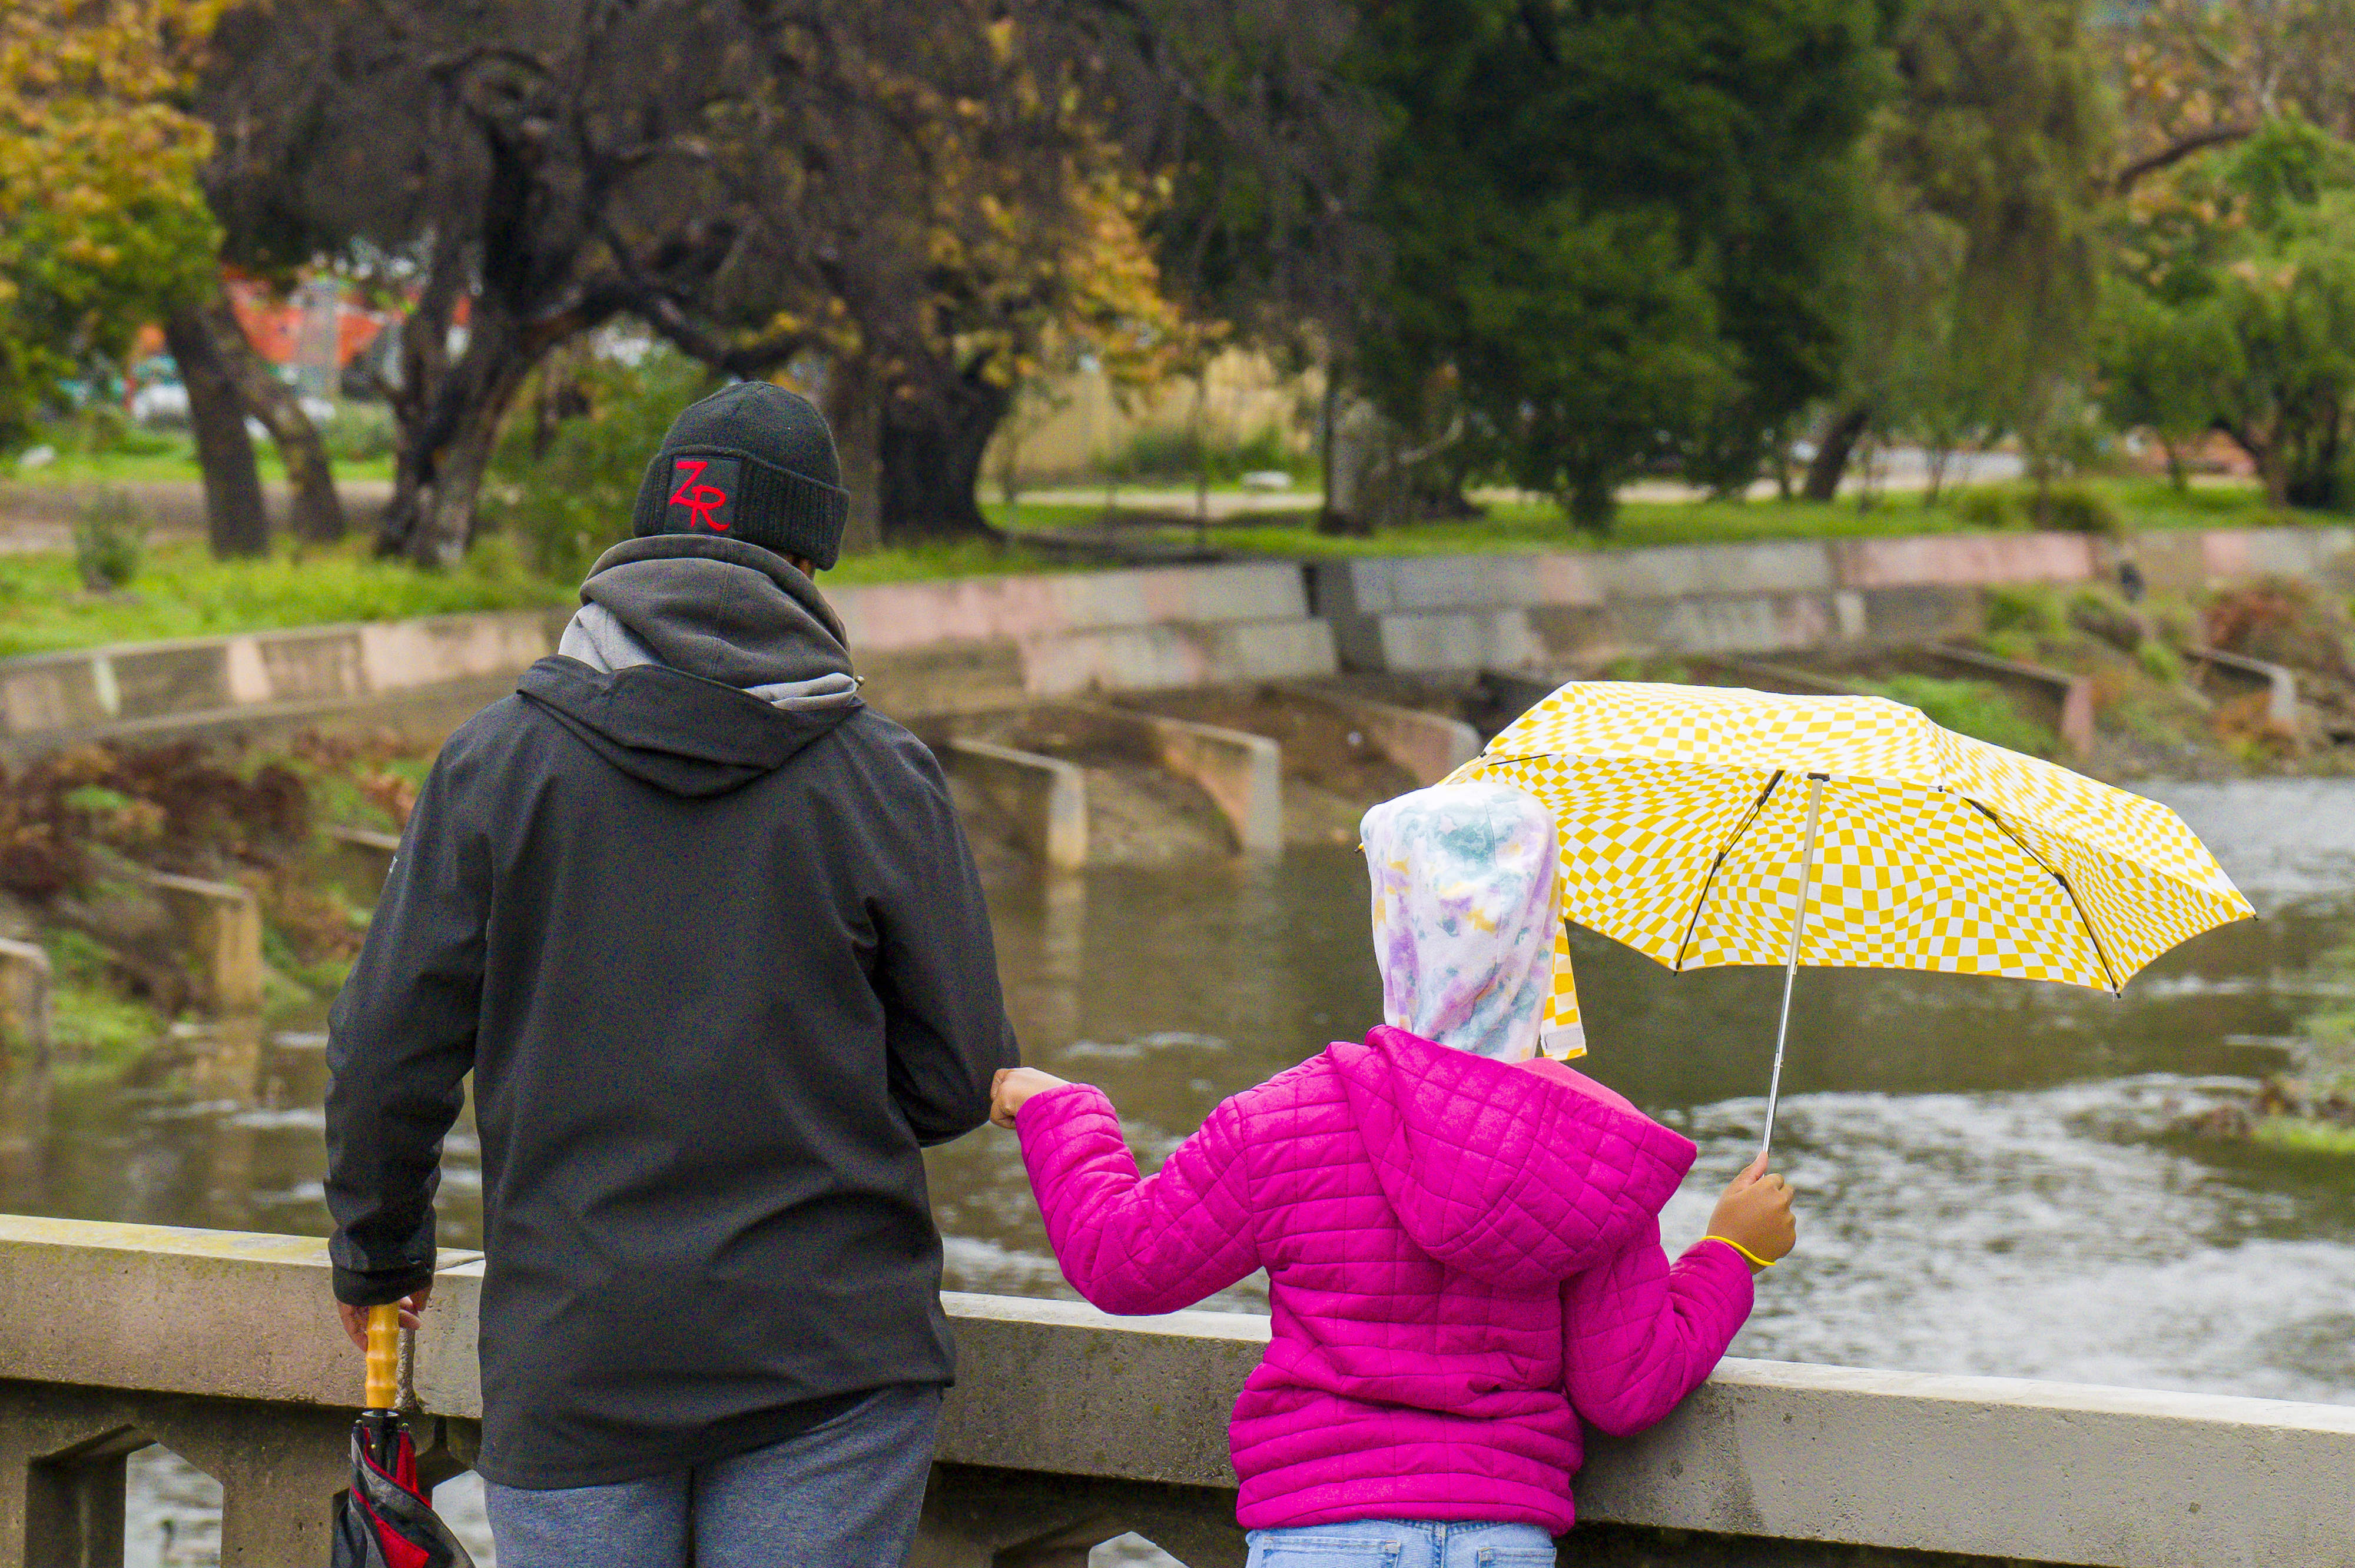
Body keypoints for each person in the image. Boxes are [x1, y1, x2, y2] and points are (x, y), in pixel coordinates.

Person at [324, 381, 1020, 1568]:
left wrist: (380, 1259)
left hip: (578, 1357)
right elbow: (957, 1080)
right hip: (830, 1358)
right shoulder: (880, 779)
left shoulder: (496, 764)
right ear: (812, 561)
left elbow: (387, 1048)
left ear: (643, 533)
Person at [992, 782, 1795, 1568]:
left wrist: (1062, 1111)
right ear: (1542, 931)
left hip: (1321, 1528)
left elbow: (1123, 1261)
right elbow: (1625, 1389)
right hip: (1502, 1537)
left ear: (1395, 920)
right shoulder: (1591, 1151)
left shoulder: (1287, 1117)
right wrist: (1729, 1253)